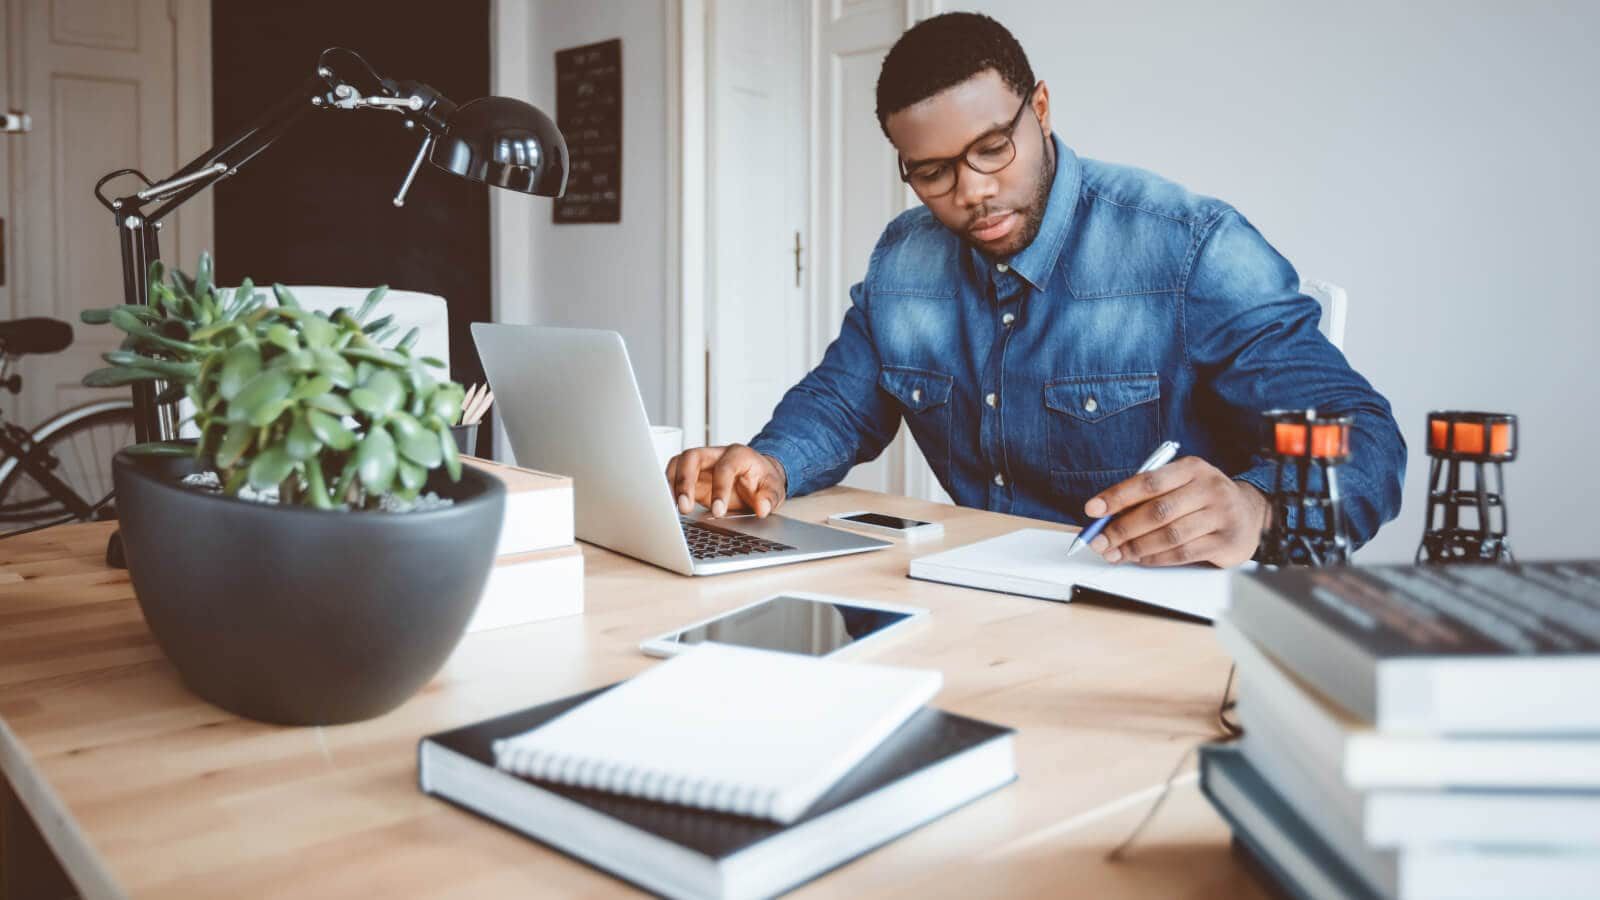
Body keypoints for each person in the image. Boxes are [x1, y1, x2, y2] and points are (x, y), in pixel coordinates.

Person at [667, 12, 1404, 567]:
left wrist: (1256, 507)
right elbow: (839, 403)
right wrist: (770, 463)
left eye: (993, 149)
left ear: (1041, 109)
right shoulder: (903, 260)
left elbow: (1365, 436)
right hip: (977, 597)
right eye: (933, 173)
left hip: (1153, 614)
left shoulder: (1188, 246)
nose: (974, 192)